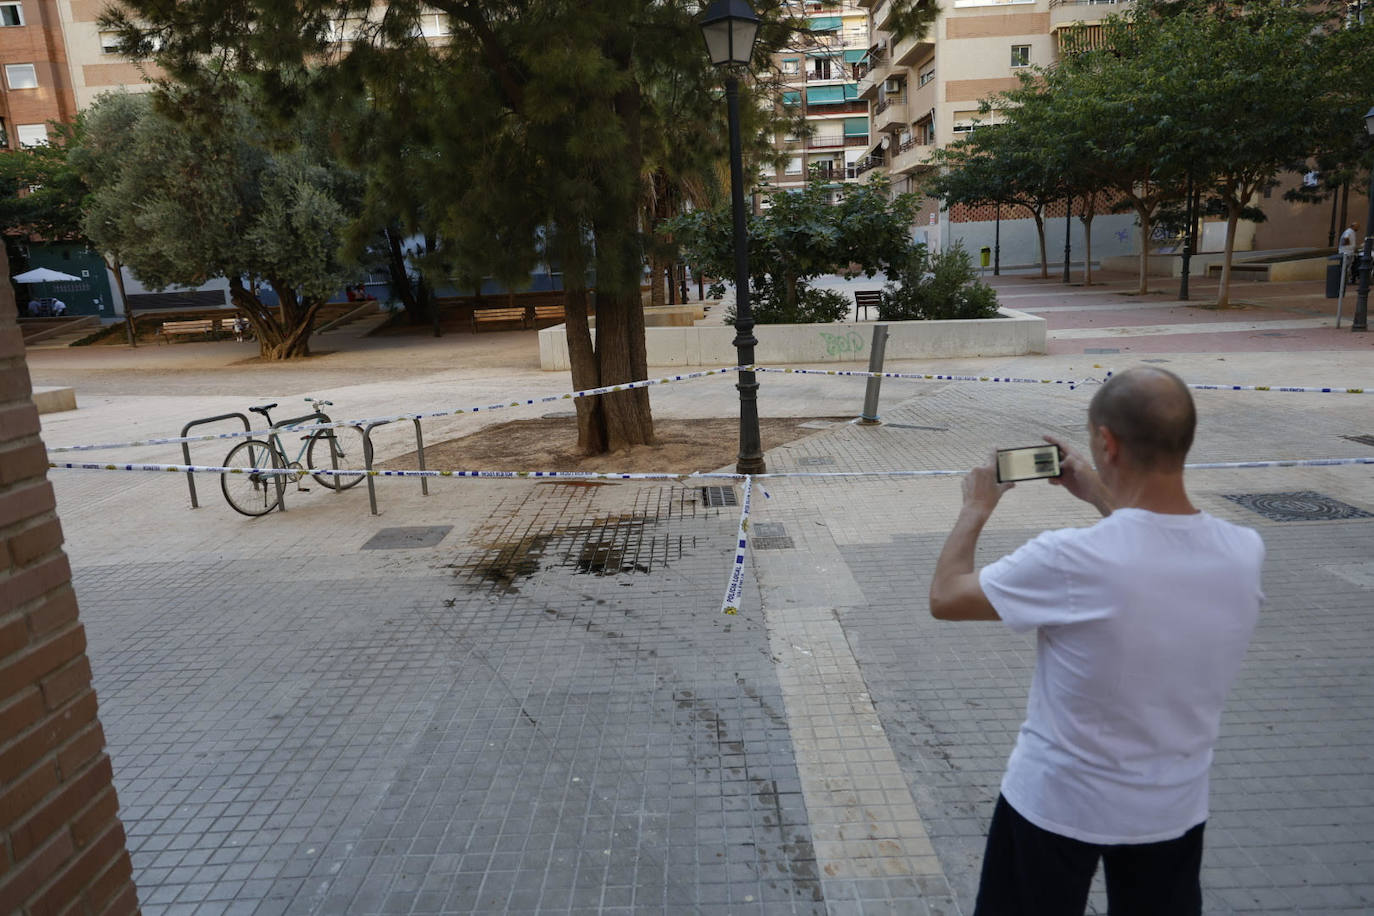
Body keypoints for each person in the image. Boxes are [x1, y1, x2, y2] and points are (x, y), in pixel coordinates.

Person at [929, 367, 1265, 916]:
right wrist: (1101, 492)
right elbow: (1154, 545)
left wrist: (976, 507)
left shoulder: (1070, 559)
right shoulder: (1243, 551)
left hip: (1055, 806)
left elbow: (946, 597)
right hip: (1171, 811)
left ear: (1106, 443)